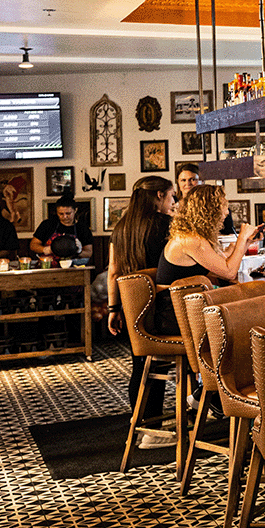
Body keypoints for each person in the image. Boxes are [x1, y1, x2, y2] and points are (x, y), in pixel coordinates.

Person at [109, 176, 179, 443]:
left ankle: (142, 423)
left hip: (131, 308)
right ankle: (199, 403)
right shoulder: (167, 226)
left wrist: (114, 307)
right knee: (154, 365)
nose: (173, 203)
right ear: (159, 195)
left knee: (141, 365)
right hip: (161, 309)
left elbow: (114, 271)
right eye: (172, 196)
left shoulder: (121, 227)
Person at [158, 184, 258, 285]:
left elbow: (226, 265)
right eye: (222, 206)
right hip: (173, 299)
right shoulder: (191, 240)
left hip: (191, 295)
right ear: (209, 210)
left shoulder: (193, 235)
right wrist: (242, 237)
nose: (227, 212)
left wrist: (248, 241)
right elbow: (229, 273)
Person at [176, 164, 237, 235]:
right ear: (178, 182)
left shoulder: (216, 205)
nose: (188, 183)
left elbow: (229, 233)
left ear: (202, 181)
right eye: (183, 180)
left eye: (193, 179)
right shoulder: (172, 206)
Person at [29, 196, 94, 260]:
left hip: (73, 266)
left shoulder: (83, 228)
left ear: (75, 210)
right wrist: (45, 249)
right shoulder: (47, 224)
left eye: (68, 213)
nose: (65, 216)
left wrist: (79, 252)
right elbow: (33, 245)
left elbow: (88, 252)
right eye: (61, 214)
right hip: (49, 266)